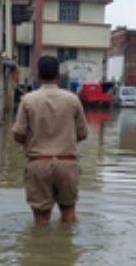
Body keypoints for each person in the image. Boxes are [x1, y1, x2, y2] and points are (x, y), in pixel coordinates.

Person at [12, 56, 89, 225]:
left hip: (39, 163)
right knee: (68, 215)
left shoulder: (28, 100)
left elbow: (18, 134)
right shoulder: (73, 99)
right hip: (67, 163)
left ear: (38, 76)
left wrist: (32, 142)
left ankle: (41, 250)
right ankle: (66, 249)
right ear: (58, 75)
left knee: (41, 219)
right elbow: (82, 134)